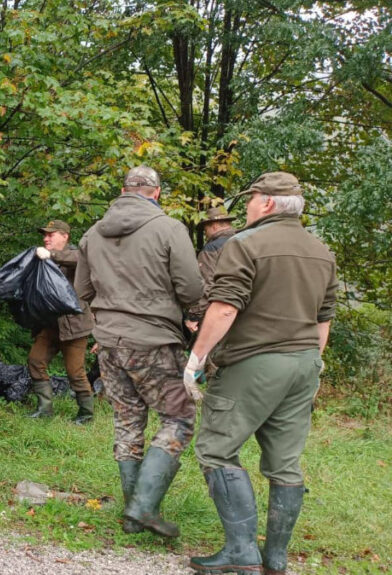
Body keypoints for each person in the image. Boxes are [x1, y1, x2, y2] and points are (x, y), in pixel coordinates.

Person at [186, 172, 337, 575]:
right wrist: (311, 363)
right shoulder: (321, 250)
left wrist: (196, 359)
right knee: (285, 464)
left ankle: (240, 552)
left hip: (254, 362)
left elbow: (224, 307)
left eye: (251, 199)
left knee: (216, 449)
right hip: (305, 363)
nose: (248, 207)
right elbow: (324, 318)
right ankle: (275, 559)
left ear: (267, 203)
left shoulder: (245, 244)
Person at [74, 165, 203, 537]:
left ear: (123, 190)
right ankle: (143, 508)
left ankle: (134, 511)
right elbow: (191, 290)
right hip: (153, 341)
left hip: (109, 343)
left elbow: (82, 289)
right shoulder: (169, 229)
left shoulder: (93, 233)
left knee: (128, 421)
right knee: (179, 417)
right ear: (157, 193)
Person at [29, 219, 96, 424]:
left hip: (75, 326)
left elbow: (80, 259)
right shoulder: (43, 259)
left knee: (75, 372)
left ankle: (86, 414)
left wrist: (52, 255)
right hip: (51, 325)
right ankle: (45, 409)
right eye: (45, 235)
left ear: (65, 236)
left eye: (51, 234)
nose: (46, 238)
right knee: (35, 360)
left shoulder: (78, 256)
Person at [185, 206, 237, 333]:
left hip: (220, 312)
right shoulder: (247, 241)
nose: (205, 233)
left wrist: (194, 315)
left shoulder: (211, 249)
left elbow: (206, 283)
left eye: (206, 229)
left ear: (214, 226)